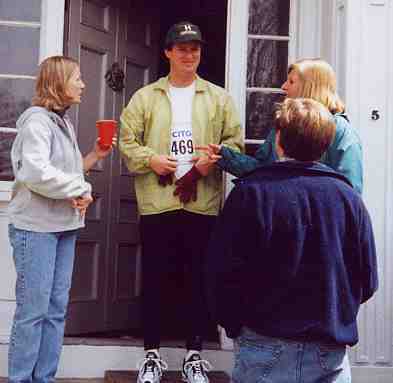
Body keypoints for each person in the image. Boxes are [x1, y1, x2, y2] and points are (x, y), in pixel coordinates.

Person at [205, 98, 378, 383]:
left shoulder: (252, 193)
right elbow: (368, 278)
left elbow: (220, 272)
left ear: (279, 142)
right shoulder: (348, 199)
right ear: (325, 146)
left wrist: (234, 324)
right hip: (328, 348)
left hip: (262, 342)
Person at [119, 21, 243, 383]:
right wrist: (151, 160)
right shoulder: (146, 97)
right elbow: (127, 141)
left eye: (195, 48)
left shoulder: (218, 98)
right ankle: (152, 355)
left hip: (201, 202)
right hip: (158, 201)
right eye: (182, 48)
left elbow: (234, 142)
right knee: (155, 278)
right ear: (168, 52)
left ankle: (194, 354)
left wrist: (212, 162)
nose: (190, 55)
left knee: (198, 279)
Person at [7, 55, 115, 383]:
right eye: (77, 78)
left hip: (64, 226)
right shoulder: (35, 122)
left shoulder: (62, 123)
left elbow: (64, 174)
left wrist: (94, 156)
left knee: (55, 312)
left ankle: (45, 378)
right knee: (33, 312)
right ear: (58, 83)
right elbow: (37, 173)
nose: (83, 84)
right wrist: (80, 187)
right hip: (36, 229)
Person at [198, 58, 363, 194]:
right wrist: (224, 156)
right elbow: (262, 169)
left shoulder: (341, 131)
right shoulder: (285, 124)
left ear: (310, 87)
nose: (283, 86)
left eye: (291, 81)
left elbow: (350, 193)